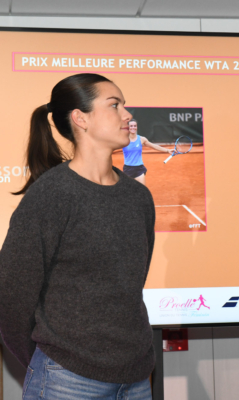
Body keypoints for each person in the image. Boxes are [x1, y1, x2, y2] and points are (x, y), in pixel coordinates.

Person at [0, 73, 156, 399]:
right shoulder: (51, 195)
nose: (127, 114)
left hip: (136, 378)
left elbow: (130, 285)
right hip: (66, 381)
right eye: (114, 105)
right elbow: (11, 297)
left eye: (124, 105)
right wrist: (51, 361)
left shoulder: (138, 197)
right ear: (80, 118)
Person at [122, 118, 172, 185]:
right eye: (131, 126)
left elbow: (154, 146)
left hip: (139, 169)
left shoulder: (142, 139)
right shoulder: (124, 140)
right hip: (128, 169)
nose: (133, 127)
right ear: (128, 127)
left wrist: (168, 150)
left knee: (142, 190)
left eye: (135, 126)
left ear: (137, 127)